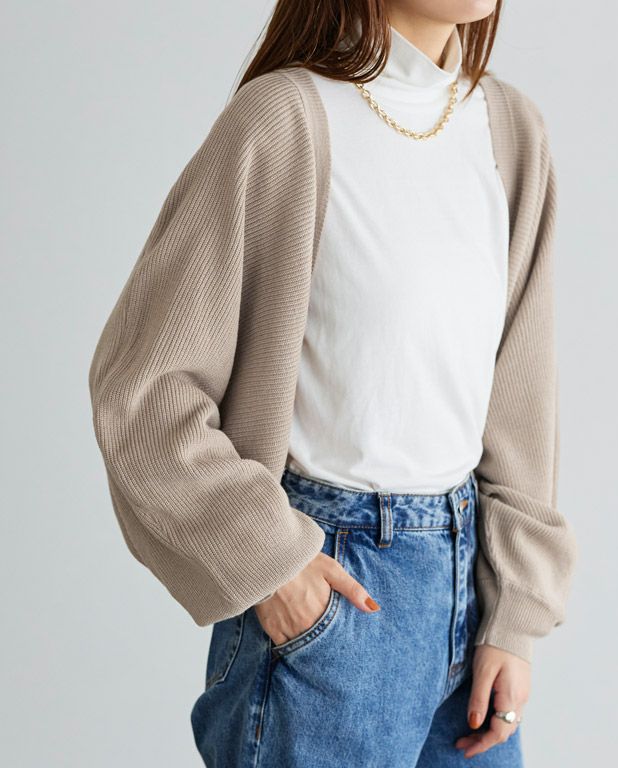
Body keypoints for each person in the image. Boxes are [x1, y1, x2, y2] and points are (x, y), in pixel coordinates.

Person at [88, 1, 579, 765]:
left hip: (469, 600)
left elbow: (521, 400)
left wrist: (515, 614)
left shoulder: (511, 131)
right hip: (334, 590)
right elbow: (145, 391)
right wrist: (272, 566)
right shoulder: (283, 119)